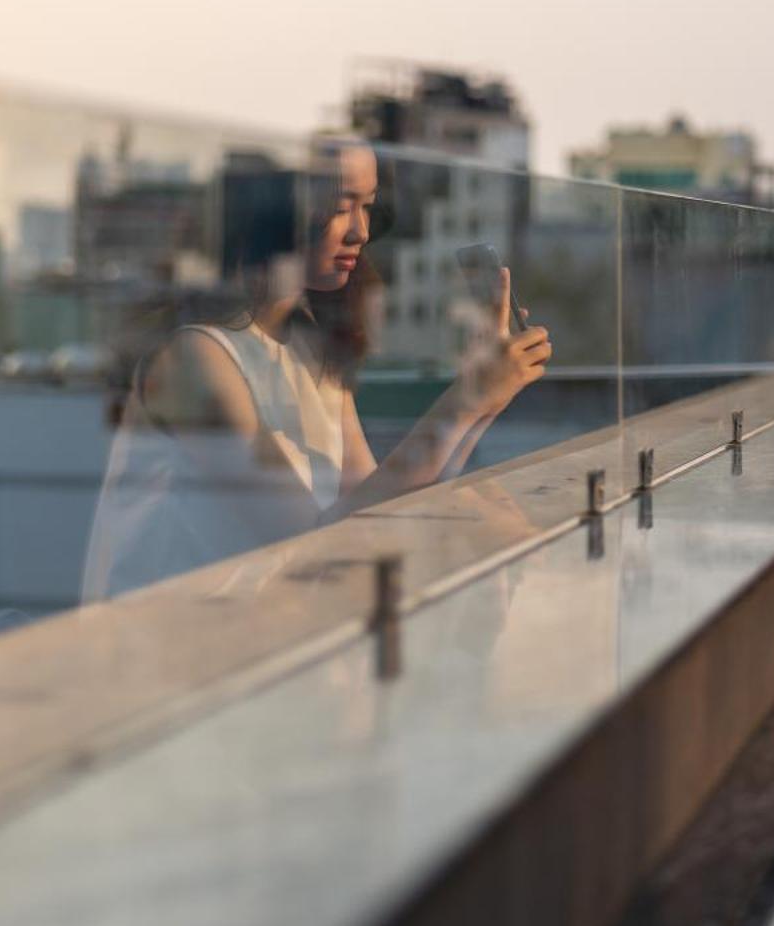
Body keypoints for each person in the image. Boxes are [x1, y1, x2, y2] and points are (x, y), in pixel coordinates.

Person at [82, 139, 552, 600]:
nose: (361, 231)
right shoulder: (196, 360)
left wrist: (485, 396)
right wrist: (465, 402)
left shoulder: (310, 346)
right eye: (342, 204)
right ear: (276, 210)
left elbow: (378, 508)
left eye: (367, 206)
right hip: (174, 659)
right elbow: (313, 542)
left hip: (256, 641)